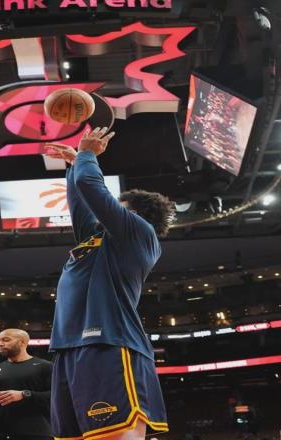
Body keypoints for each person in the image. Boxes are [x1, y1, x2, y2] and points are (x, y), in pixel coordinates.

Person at [45, 127, 174, 440]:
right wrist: (74, 165)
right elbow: (81, 205)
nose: (107, 210)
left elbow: (91, 188)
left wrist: (88, 156)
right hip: (67, 347)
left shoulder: (139, 234)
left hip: (110, 343)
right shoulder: (96, 239)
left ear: (134, 214)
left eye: (116, 206)